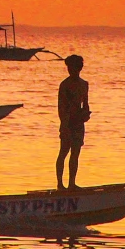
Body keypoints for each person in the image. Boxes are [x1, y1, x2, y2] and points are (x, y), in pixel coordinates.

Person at [56, 54, 90, 191]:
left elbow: (85, 104)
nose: (70, 70)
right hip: (67, 123)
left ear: (79, 68)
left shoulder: (84, 85)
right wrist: (64, 126)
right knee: (63, 152)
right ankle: (60, 184)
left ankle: (72, 183)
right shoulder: (64, 85)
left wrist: (86, 114)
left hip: (78, 123)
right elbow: (61, 107)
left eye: (72, 67)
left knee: (75, 154)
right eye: (68, 68)